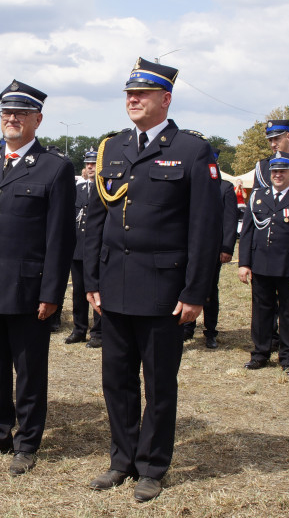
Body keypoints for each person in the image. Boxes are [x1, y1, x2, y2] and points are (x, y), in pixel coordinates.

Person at [84, 58, 220, 502]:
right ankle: (121, 460)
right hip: (115, 284)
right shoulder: (114, 147)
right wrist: (92, 279)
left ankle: (152, 466)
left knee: (159, 385)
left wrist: (196, 290)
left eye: (142, 93)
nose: (133, 100)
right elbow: (96, 221)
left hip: (164, 290)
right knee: (116, 381)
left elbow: (204, 227)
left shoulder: (192, 149)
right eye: (128, 93)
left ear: (166, 99)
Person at [0, 80, 74, 476]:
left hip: (27, 288)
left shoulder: (55, 167)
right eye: (7, 112)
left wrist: (51, 292)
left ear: (37, 120)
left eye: (21, 113)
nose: (12, 119)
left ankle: (27, 441)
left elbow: (59, 238)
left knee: (29, 371)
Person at [238, 156, 289, 376]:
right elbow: (246, 233)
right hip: (261, 265)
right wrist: (244, 263)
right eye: (274, 172)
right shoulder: (258, 197)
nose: (278, 176)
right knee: (261, 312)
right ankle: (260, 354)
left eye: (283, 172)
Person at [183, 163, 239, 349]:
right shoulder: (189, 185)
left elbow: (230, 220)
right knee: (186, 286)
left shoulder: (225, 188)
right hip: (188, 247)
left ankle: (210, 331)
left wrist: (227, 248)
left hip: (212, 249)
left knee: (209, 291)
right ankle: (187, 327)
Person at [66, 150, 103, 347]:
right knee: (78, 291)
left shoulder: (105, 188)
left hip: (97, 249)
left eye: (94, 163)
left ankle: (98, 332)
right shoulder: (77, 188)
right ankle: (79, 329)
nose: (90, 167)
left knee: (97, 290)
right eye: (88, 163)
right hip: (78, 247)